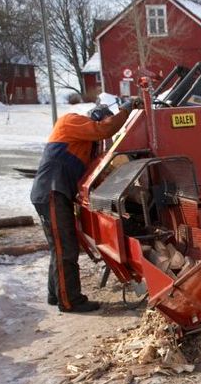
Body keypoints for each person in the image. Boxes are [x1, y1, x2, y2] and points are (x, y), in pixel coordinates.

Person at [30, 98, 142, 312]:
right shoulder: (69, 122)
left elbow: (95, 175)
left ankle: (56, 294)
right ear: (96, 118)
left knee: (60, 247)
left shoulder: (84, 145)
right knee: (65, 248)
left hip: (57, 192)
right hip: (52, 191)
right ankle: (70, 301)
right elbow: (105, 129)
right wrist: (126, 109)